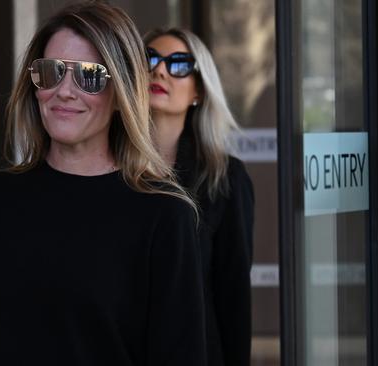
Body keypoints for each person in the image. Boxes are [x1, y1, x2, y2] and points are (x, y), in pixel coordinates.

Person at [0, 2, 207, 365]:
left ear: (122, 94)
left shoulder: (164, 216)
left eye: (89, 75)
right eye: (50, 72)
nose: (64, 91)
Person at [143, 28, 255, 366]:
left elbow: (233, 296)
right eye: (149, 59)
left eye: (179, 64)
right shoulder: (106, 166)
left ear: (199, 92)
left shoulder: (225, 177)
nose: (159, 70)